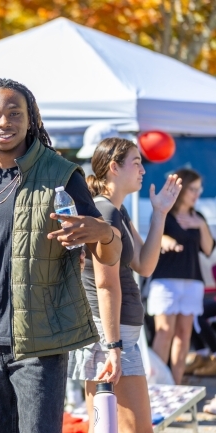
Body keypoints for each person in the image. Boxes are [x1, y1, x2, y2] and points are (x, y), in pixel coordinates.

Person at [0, 78, 122, 433]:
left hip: (39, 343)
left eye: (15, 113)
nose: (5, 123)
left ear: (31, 119)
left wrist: (105, 233)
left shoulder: (61, 175)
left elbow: (108, 254)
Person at [68, 138, 182, 433]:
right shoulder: (104, 213)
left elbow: (144, 264)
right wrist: (113, 346)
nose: (143, 170)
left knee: (110, 426)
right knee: (129, 428)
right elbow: (105, 285)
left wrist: (160, 214)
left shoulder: (117, 211)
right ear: (114, 168)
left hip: (118, 335)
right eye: (137, 162)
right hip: (110, 334)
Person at [148, 168, 215, 384]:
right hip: (165, 280)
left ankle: (175, 385)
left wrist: (201, 225)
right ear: (182, 189)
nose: (196, 194)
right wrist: (166, 241)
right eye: (192, 189)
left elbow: (208, 249)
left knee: (184, 335)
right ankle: (157, 387)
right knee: (164, 331)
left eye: (199, 189)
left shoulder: (199, 217)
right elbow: (154, 238)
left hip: (192, 281)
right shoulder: (164, 212)